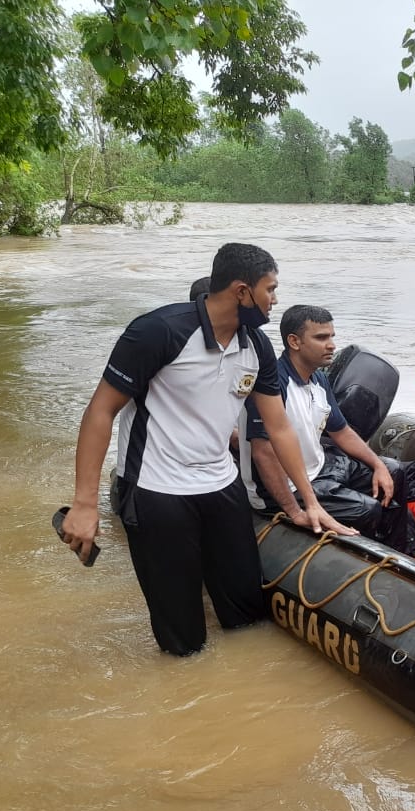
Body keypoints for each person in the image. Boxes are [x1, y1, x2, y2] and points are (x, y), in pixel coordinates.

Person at [61, 243, 350, 657]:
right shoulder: (159, 331)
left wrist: (309, 501)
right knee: (184, 641)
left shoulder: (256, 347)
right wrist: (84, 503)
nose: (275, 299)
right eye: (270, 289)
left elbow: (278, 426)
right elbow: (101, 411)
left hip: (219, 483)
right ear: (241, 291)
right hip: (156, 488)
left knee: (247, 616)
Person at [239, 304, 415, 554]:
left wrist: (377, 465)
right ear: (294, 341)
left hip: (319, 467)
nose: (332, 345)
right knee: (367, 509)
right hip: (282, 487)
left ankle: (401, 556)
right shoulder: (273, 386)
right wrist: (294, 510)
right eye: (321, 338)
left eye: (332, 336)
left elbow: (341, 431)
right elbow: (263, 453)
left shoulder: (318, 379)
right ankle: (368, 562)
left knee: (394, 471)